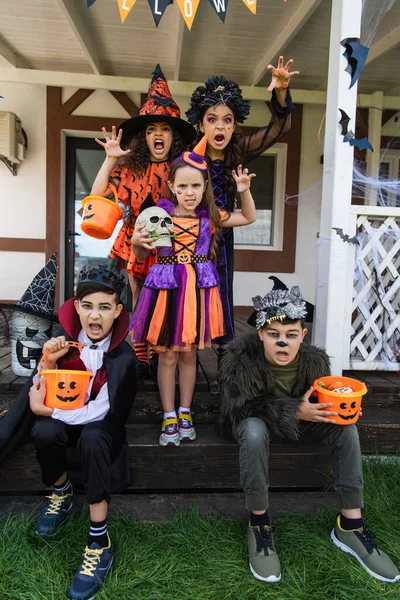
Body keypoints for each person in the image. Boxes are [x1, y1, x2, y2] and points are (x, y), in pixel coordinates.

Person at [216, 286, 400, 584]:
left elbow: (320, 401)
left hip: (298, 426)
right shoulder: (239, 360)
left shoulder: (314, 362)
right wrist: (292, 410)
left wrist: (342, 409)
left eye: (290, 334)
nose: (282, 342)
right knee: (252, 430)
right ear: (261, 333)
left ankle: (350, 524)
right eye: (274, 334)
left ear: (302, 335)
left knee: (345, 427)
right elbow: (235, 410)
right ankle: (259, 522)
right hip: (255, 424)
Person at [0, 266, 136, 600]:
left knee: (90, 436)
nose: (95, 315)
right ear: (76, 306)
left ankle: (98, 539)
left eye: (105, 307)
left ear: (117, 312)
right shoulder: (66, 345)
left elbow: (102, 412)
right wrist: (48, 363)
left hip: (100, 430)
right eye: (88, 305)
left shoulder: (123, 359)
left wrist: (51, 410)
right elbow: (40, 391)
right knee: (44, 431)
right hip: (63, 422)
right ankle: (61, 491)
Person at [130, 135, 256, 447]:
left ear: (204, 188)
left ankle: (186, 411)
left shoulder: (210, 217)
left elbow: (249, 217)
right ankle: (168, 415)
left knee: (188, 356)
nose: (189, 192)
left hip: (198, 291)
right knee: (168, 357)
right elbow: (144, 255)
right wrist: (135, 243)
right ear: (171, 186)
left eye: (196, 186)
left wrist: (245, 191)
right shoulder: (158, 215)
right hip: (167, 289)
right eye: (182, 186)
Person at [186, 57, 298, 358]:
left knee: (221, 296)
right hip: (190, 236)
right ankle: (185, 365)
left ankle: (224, 372)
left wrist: (281, 92)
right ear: (200, 124)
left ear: (235, 126)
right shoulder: (189, 157)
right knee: (188, 299)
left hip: (222, 238)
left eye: (227, 119)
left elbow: (279, 128)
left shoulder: (239, 150)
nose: (220, 126)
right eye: (212, 119)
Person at [91, 64, 195, 373]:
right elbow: (97, 195)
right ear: (144, 137)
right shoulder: (130, 168)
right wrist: (110, 159)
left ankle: (164, 351)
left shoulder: (182, 169)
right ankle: (141, 355)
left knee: (168, 298)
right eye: (151, 130)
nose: (158, 134)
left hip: (172, 243)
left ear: (172, 135)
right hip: (135, 240)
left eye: (164, 128)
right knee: (139, 298)